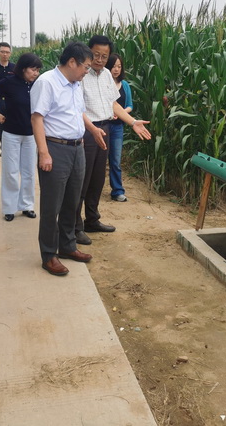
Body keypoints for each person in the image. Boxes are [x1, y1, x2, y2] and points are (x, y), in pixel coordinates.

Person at [75, 35, 151, 246]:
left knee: (98, 178)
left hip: (105, 128)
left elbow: (114, 105)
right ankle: (75, 226)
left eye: (104, 56)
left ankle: (92, 219)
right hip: (88, 131)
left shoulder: (107, 74)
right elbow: (77, 108)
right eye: (96, 55)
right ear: (89, 52)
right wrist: (91, 129)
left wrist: (132, 122)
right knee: (82, 180)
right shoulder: (81, 75)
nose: (100, 60)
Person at [30, 42, 96, 276]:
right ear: (72, 62)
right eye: (86, 67)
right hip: (55, 148)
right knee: (52, 204)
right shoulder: (47, 82)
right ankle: (49, 254)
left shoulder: (75, 84)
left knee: (72, 200)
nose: (87, 71)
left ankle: (67, 246)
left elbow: (78, 112)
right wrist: (43, 152)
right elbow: (37, 118)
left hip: (77, 148)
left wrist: (91, 130)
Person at [0, 53, 41, 221]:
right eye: (33, 69)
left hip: (30, 135)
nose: (36, 73)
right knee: (11, 171)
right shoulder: (9, 82)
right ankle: (9, 208)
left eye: (38, 70)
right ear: (23, 68)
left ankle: (27, 206)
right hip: (11, 133)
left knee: (29, 172)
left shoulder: (37, 85)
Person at [106, 53, 133, 202]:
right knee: (98, 161)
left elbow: (129, 106)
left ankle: (117, 191)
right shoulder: (103, 84)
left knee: (115, 160)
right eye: (113, 66)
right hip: (103, 125)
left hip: (117, 127)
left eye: (119, 66)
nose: (116, 69)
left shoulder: (125, 85)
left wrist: (120, 114)